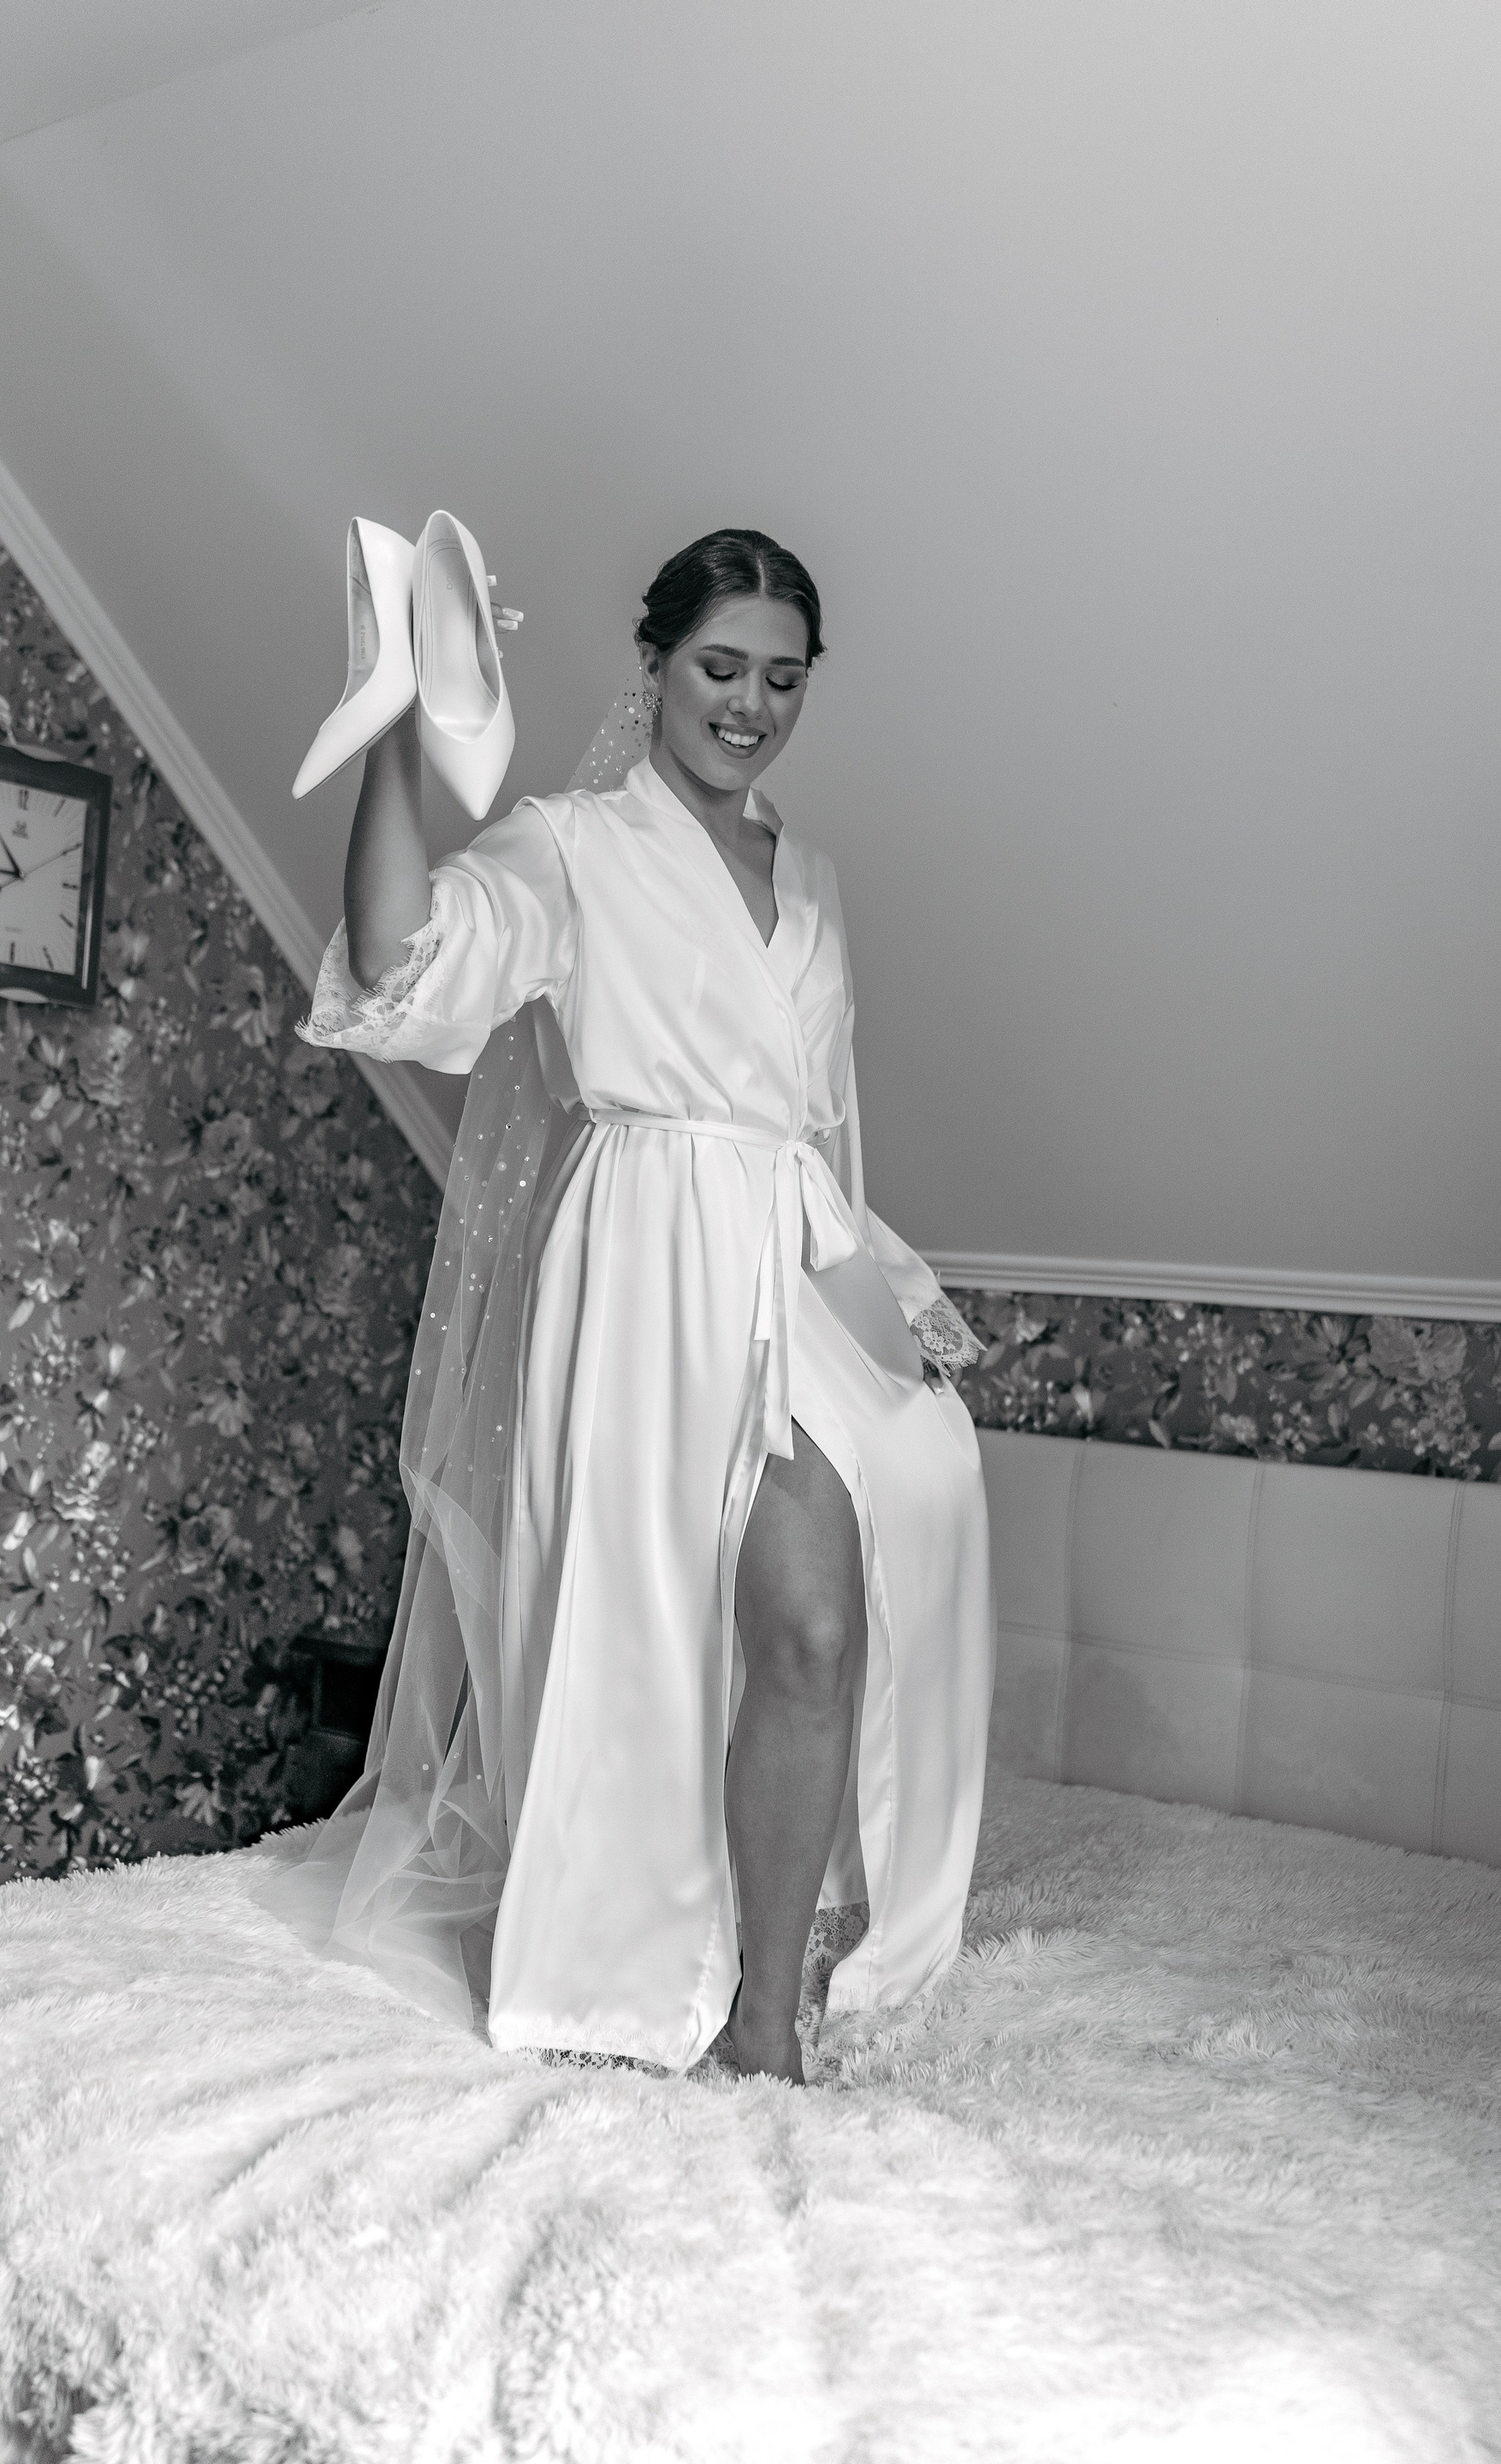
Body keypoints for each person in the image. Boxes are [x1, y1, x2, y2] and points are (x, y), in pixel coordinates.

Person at [271, 528, 994, 2082]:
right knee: (657, 1624)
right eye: (720, 667)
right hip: (642, 1268)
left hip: (793, 1263)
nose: (750, 705)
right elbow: (397, 967)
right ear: (655, 668)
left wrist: (888, 1302)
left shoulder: (812, 879)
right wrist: (397, 734)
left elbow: (818, 1130)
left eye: (783, 678)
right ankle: (641, 1957)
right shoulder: (574, 844)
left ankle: (767, 2020)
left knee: (820, 1622)